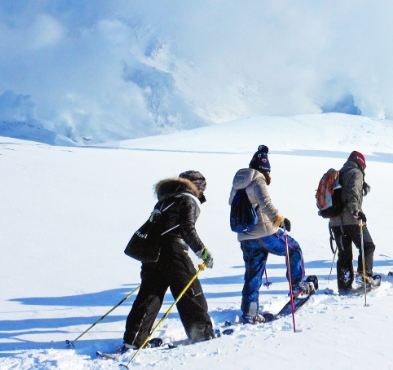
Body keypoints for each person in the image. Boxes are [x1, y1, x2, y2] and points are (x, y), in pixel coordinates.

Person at [121, 170, 216, 351]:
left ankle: (133, 340)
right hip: (174, 252)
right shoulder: (189, 199)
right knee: (191, 291)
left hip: (152, 253)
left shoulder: (164, 200)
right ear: (198, 187)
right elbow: (187, 229)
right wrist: (203, 252)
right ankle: (201, 333)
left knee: (149, 295)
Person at [230, 145, 314, 324]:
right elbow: (266, 204)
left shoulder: (238, 183)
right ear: (265, 169)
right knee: (294, 249)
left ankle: (249, 313)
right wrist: (279, 220)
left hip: (245, 236)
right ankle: (297, 286)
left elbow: (232, 203)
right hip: (265, 233)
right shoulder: (258, 180)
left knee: (253, 274)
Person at [329, 151, 376, 293]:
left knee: (344, 254)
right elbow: (352, 192)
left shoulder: (338, 174)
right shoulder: (356, 172)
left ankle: (344, 286)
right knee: (368, 246)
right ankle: (365, 276)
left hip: (336, 222)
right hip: (351, 220)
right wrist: (356, 211)